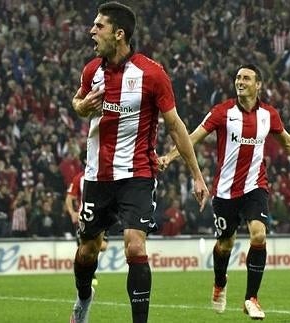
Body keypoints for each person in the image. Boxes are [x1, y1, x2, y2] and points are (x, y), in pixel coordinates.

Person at [69, 2, 209, 323]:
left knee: (134, 247)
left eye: (99, 26)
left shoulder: (152, 73)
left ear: (119, 34)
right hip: (98, 176)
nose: (92, 31)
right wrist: (81, 106)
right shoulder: (92, 70)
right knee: (88, 251)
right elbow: (78, 102)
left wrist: (197, 177)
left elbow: (175, 126)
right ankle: (84, 298)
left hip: (138, 173)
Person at [158, 64, 290, 320]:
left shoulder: (269, 115)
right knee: (225, 244)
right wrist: (170, 157)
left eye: (246, 78)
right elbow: (193, 136)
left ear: (258, 85)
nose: (240, 81)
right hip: (225, 190)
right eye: (238, 77)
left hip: (255, 186)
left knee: (259, 235)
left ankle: (251, 298)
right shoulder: (222, 112)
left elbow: (288, 142)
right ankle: (220, 281)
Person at [65, 163, 109, 287]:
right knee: (85, 248)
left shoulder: (106, 175)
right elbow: (69, 197)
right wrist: (72, 212)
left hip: (102, 216)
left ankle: (86, 269)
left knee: (103, 246)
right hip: (85, 216)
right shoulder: (79, 178)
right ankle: (88, 275)